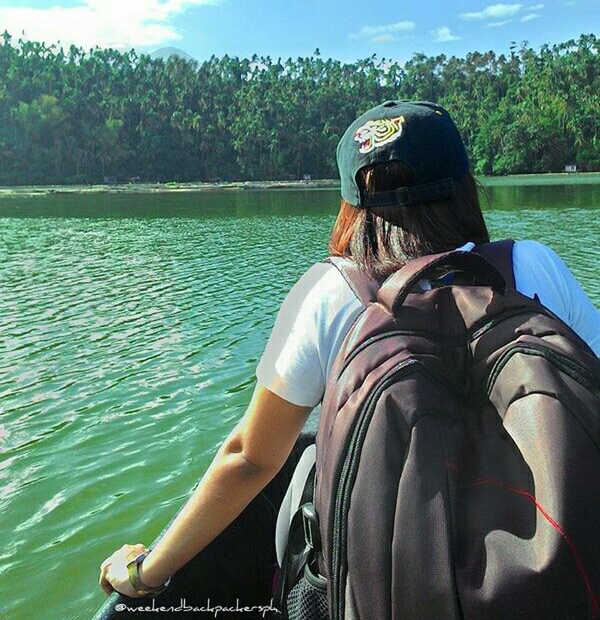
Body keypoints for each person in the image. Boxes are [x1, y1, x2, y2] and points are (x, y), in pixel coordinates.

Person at [99, 99, 600, 599]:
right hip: (557, 577)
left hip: (397, 594)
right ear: (465, 188)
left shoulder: (333, 292)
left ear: (350, 205)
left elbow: (250, 459)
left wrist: (146, 572)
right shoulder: (532, 266)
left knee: (300, 469)